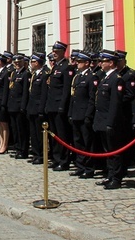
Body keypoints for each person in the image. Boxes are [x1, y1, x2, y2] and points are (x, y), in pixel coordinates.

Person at [93, 50, 125, 190]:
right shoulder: (106, 78)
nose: (100, 63)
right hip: (102, 119)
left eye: (103, 61)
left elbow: (115, 104)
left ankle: (116, 178)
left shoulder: (116, 79)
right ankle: (110, 175)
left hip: (110, 121)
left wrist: (110, 122)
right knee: (107, 150)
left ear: (111, 63)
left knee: (114, 151)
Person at [45, 41, 74, 171]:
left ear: (63, 52)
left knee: (62, 135)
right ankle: (56, 158)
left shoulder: (66, 67)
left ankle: (64, 160)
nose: (54, 54)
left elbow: (66, 90)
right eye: (53, 51)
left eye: (57, 52)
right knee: (54, 134)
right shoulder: (56, 67)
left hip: (59, 107)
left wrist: (62, 106)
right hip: (52, 105)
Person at [68, 51, 97, 178]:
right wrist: (70, 113)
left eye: (80, 62)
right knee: (77, 141)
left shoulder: (92, 77)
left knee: (87, 143)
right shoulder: (77, 77)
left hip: (85, 114)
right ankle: (80, 166)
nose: (77, 64)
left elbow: (92, 99)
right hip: (75, 113)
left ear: (87, 63)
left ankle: (89, 168)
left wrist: (88, 116)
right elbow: (73, 97)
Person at [26, 53, 50, 165]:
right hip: (31, 107)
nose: (31, 64)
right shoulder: (34, 74)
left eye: (33, 62)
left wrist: (41, 109)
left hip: (38, 108)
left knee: (39, 134)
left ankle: (41, 155)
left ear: (37, 62)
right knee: (33, 133)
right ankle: (35, 153)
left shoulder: (44, 75)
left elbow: (44, 94)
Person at [7, 54, 30, 158]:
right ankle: (17, 148)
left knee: (21, 130)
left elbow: (25, 91)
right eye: (15, 63)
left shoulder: (25, 74)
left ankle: (23, 150)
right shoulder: (14, 74)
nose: (16, 64)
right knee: (15, 129)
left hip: (19, 105)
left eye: (18, 63)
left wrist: (23, 106)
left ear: (23, 63)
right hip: (12, 105)